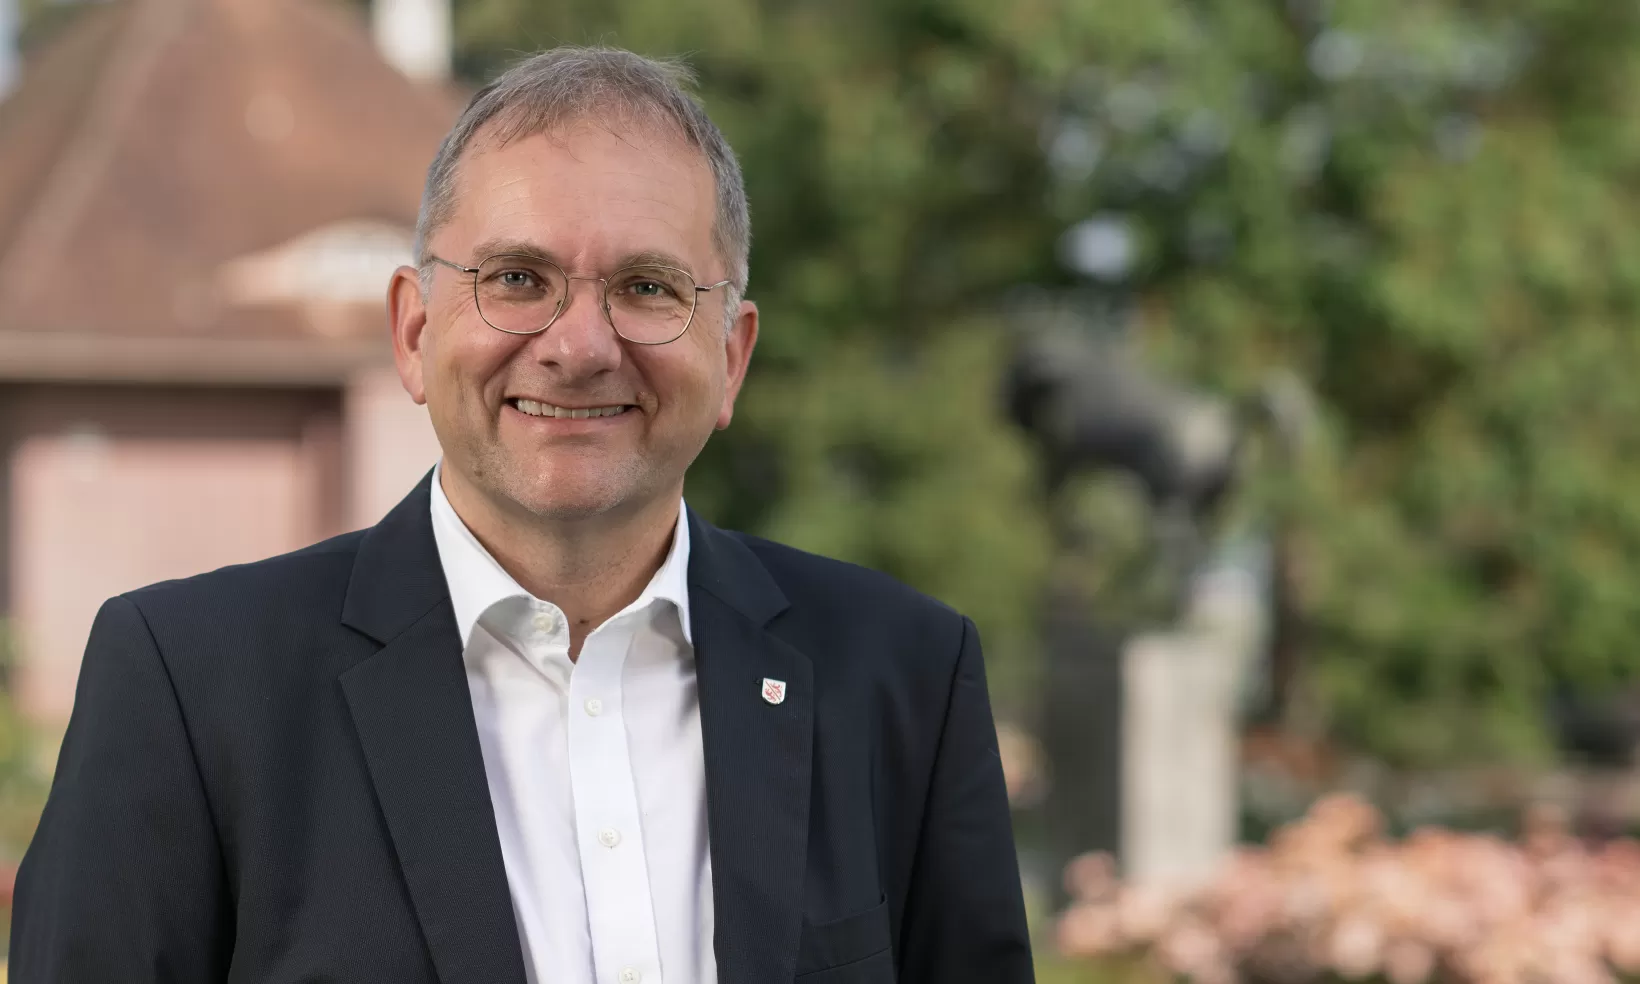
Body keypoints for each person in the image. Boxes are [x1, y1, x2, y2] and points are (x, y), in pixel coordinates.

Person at [10, 46, 1033, 984]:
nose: (579, 346)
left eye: (647, 286)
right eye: (516, 279)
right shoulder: (193, 687)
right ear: (414, 331)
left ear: (730, 357)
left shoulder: (899, 677)